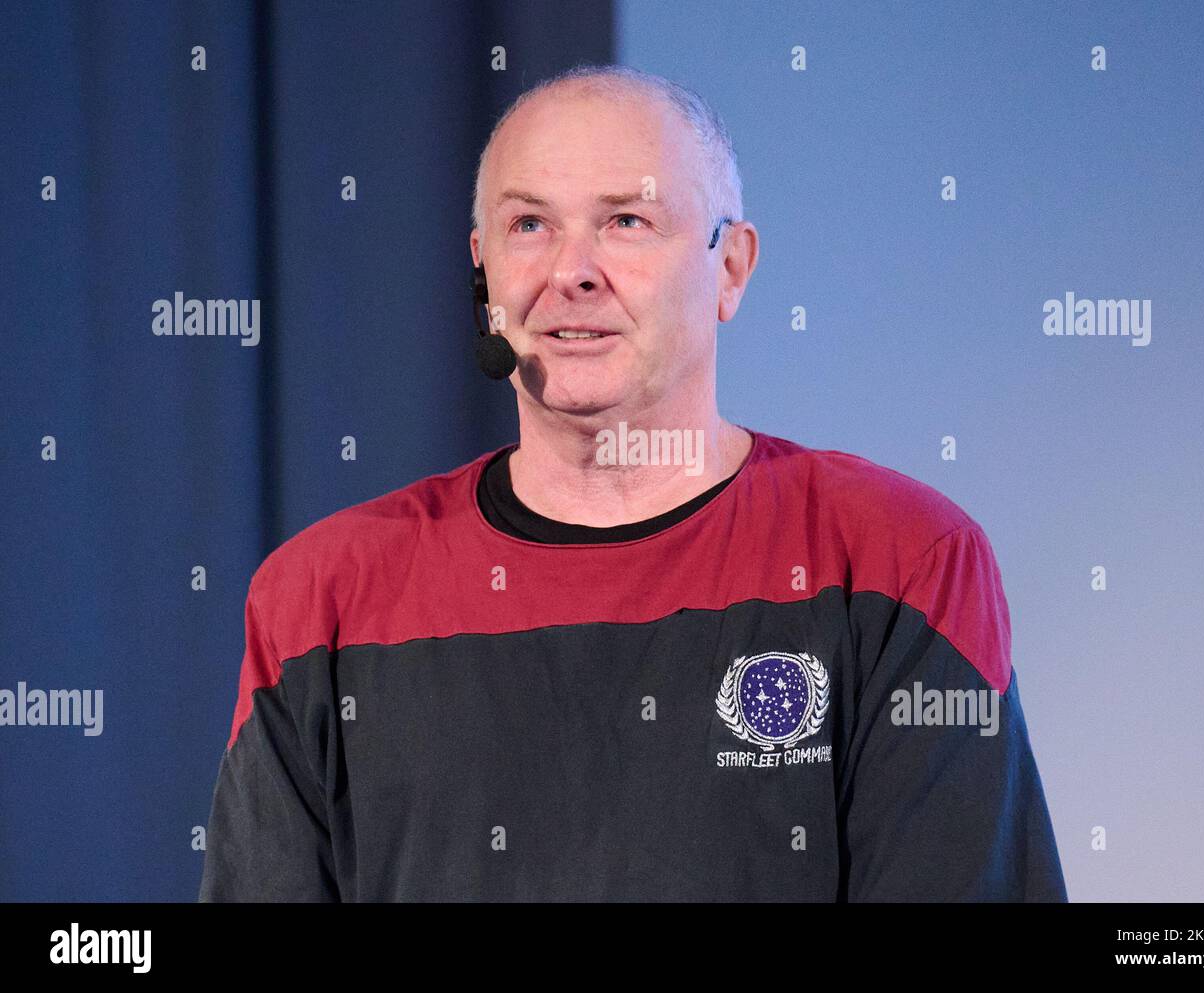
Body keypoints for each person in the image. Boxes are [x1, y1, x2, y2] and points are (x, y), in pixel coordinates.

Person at [198, 64, 1067, 902]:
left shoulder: (899, 561)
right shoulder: (319, 600)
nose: (571, 271)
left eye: (627, 222)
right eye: (529, 225)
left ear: (731, 268)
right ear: (483, 273)